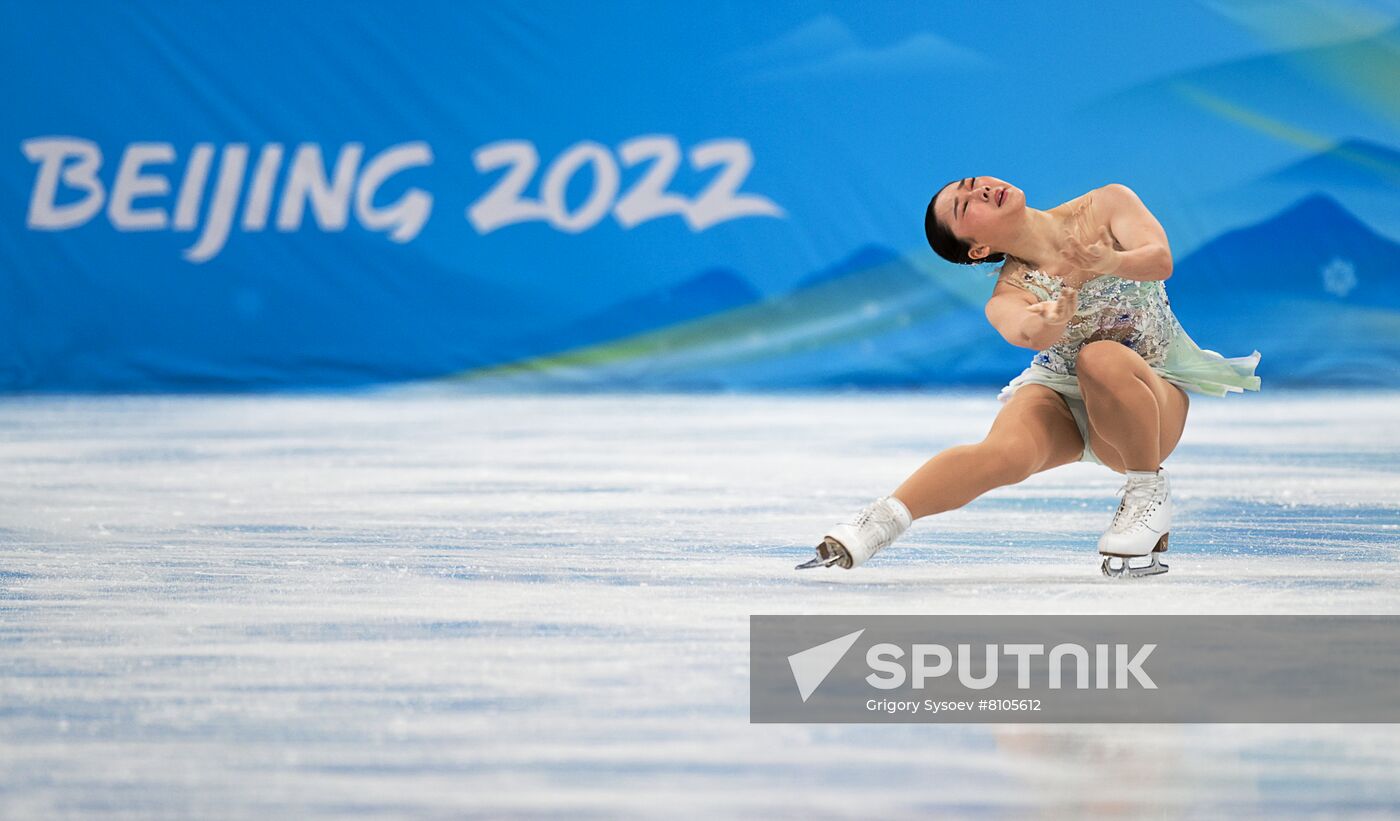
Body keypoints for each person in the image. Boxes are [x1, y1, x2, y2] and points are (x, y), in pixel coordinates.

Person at [796, 177, 1261, 578]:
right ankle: (878, 524)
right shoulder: (1007, 294)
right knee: (1005, 453)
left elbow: (1159, 260)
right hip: (1059, 392)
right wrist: (1052, 316)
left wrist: (1109, 262)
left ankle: (1146, 492)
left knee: (1101, 356)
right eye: (965, 204)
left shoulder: (1107, 204)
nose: (980, 189)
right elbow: (1028, 332)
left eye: (972, 183)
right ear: (979, 250)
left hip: (1147, 396)